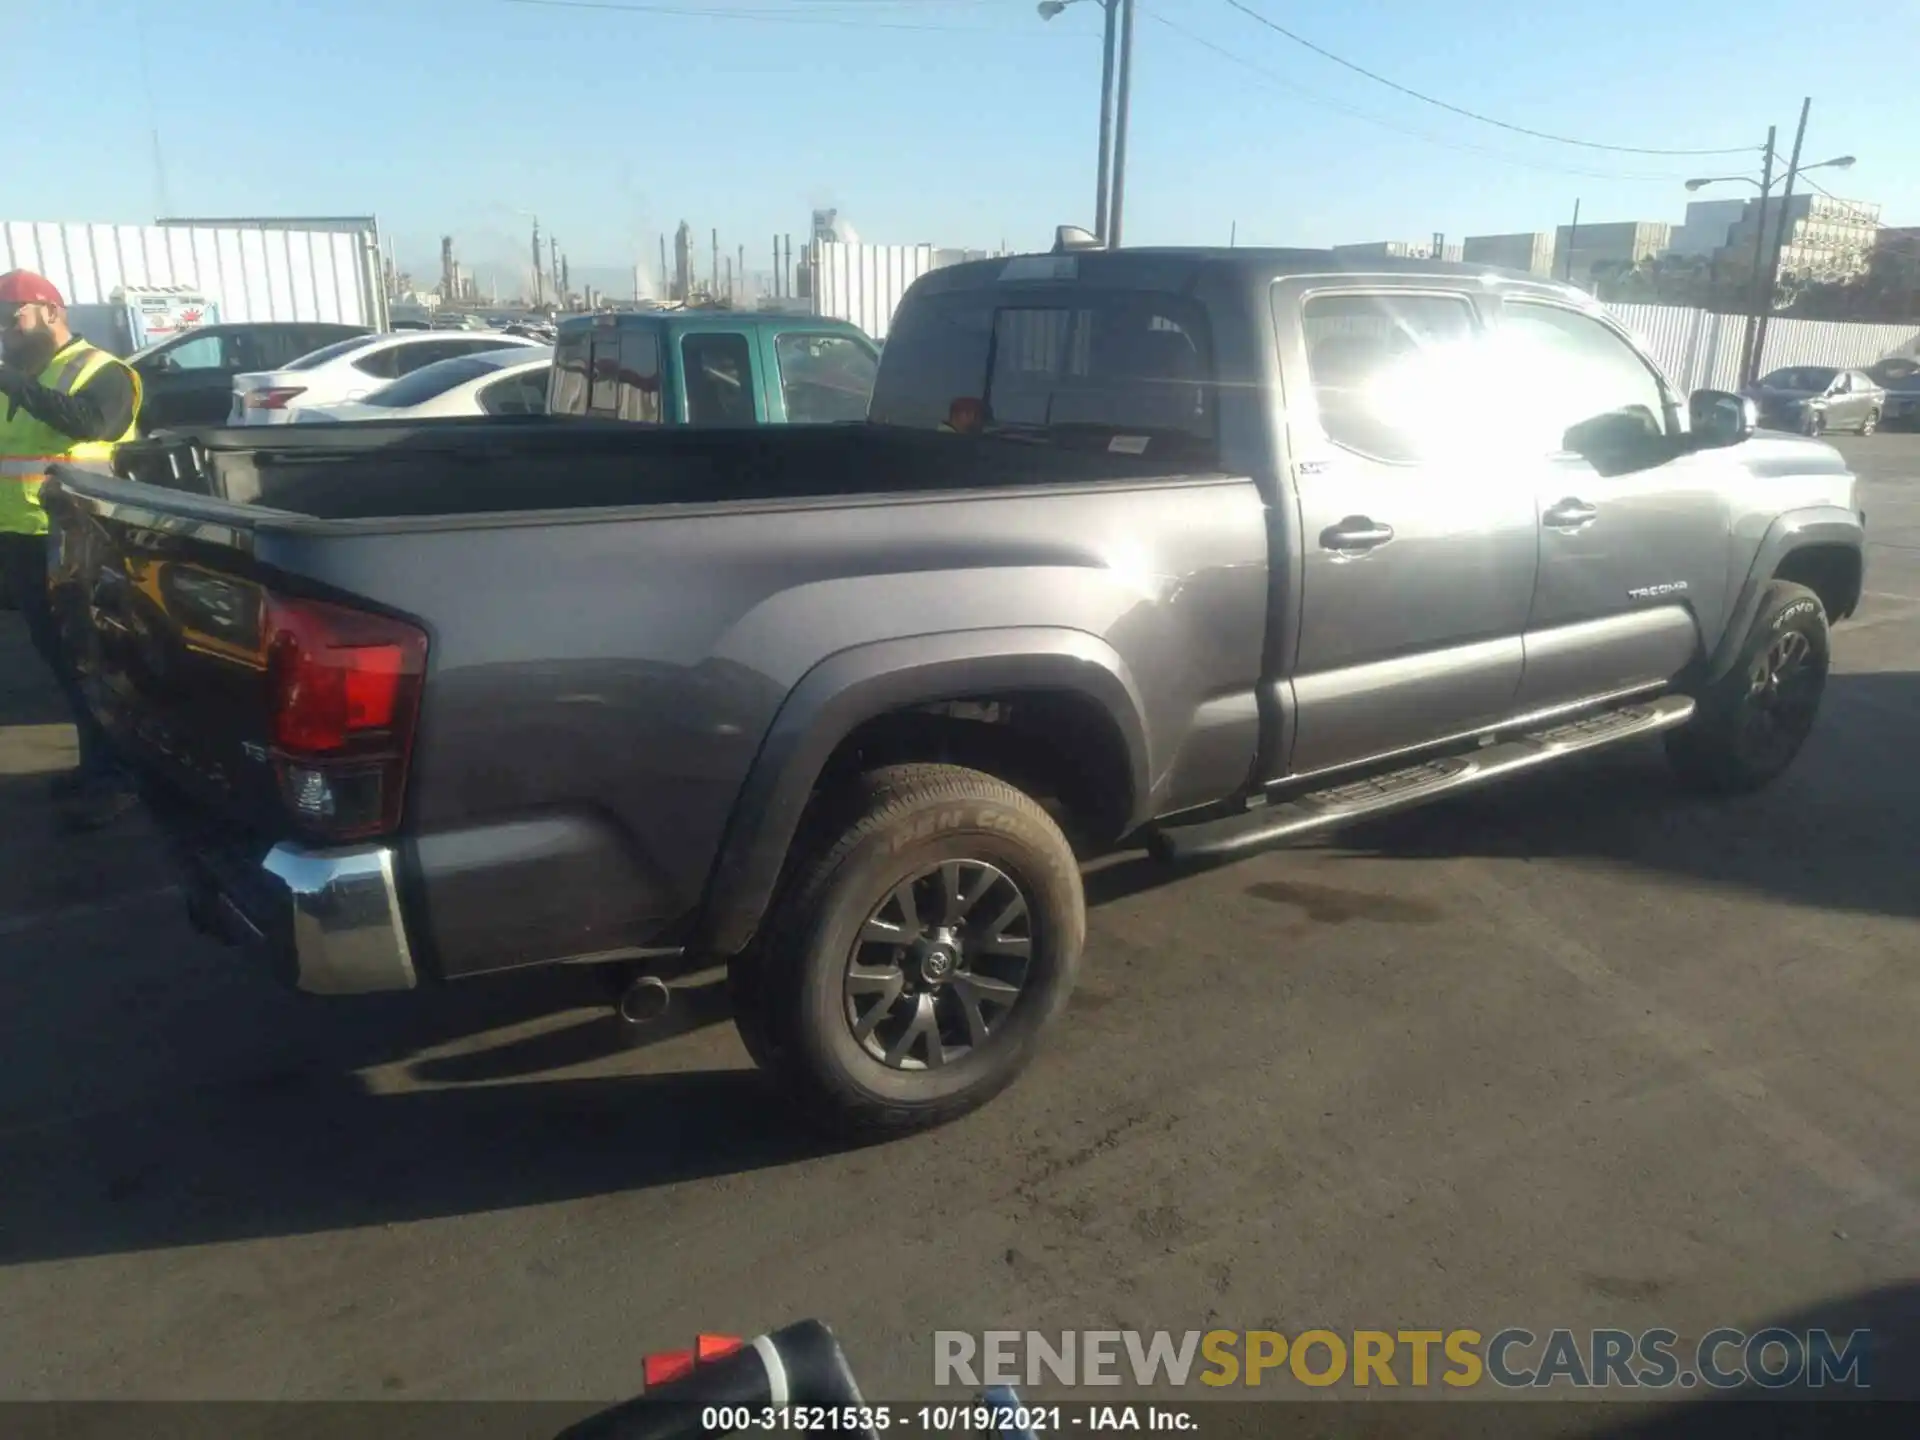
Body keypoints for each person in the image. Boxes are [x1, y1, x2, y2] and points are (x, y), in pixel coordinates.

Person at [0, 269, 143, 829]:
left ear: (51, 312)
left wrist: (14, 383)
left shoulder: (108, 373)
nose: (6, 331)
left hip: (79, 542)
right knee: (62, 664)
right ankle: (96, 763)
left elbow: (97, 424)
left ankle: (122, 776)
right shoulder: (20, 377)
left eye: (13, 318)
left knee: (94, 663)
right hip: (23, 539)